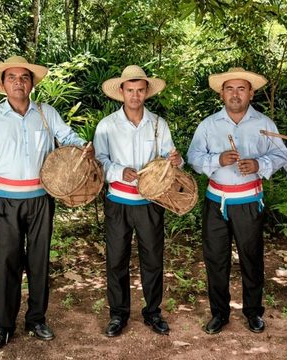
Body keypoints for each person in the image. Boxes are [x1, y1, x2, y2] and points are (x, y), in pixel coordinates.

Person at [0, 56, 93, 352]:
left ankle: (36, 319)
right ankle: (3, 326)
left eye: (24, 77)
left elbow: (67, 138)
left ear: (32, 83)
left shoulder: (46, 113)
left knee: (38, 262)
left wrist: (83, 149)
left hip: (40, 199)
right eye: (11, 77)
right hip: (5, 201)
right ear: (3, 84)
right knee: (5, 264)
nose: (18, 82)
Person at [187, 68, 287, 334]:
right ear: (222, 93)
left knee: (251, 259)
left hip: (249, 201)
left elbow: (281, 155)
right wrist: (216, 160)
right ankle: (219, 313)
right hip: (216, 201)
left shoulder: (264, 123)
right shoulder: (209, 125)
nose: (235, 94)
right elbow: (194, 157)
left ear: (251, 93)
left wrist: (259, 163)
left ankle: (253, 312)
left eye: (241, 89)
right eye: (229, 88)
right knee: (215, 260)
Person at [93, 65, 183, 337]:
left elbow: (171, 159)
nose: (134, 95)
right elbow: (98, 163)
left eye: (140, 90)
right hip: (118, 201)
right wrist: (121, 171)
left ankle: (152, 312)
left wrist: (177, 161)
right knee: (117, 260)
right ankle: (118, 314)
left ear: (146, 92)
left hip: (151, 203)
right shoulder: (107, 125)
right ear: (121, 92)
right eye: (129, 90)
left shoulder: (158, 124)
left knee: (153, 260)